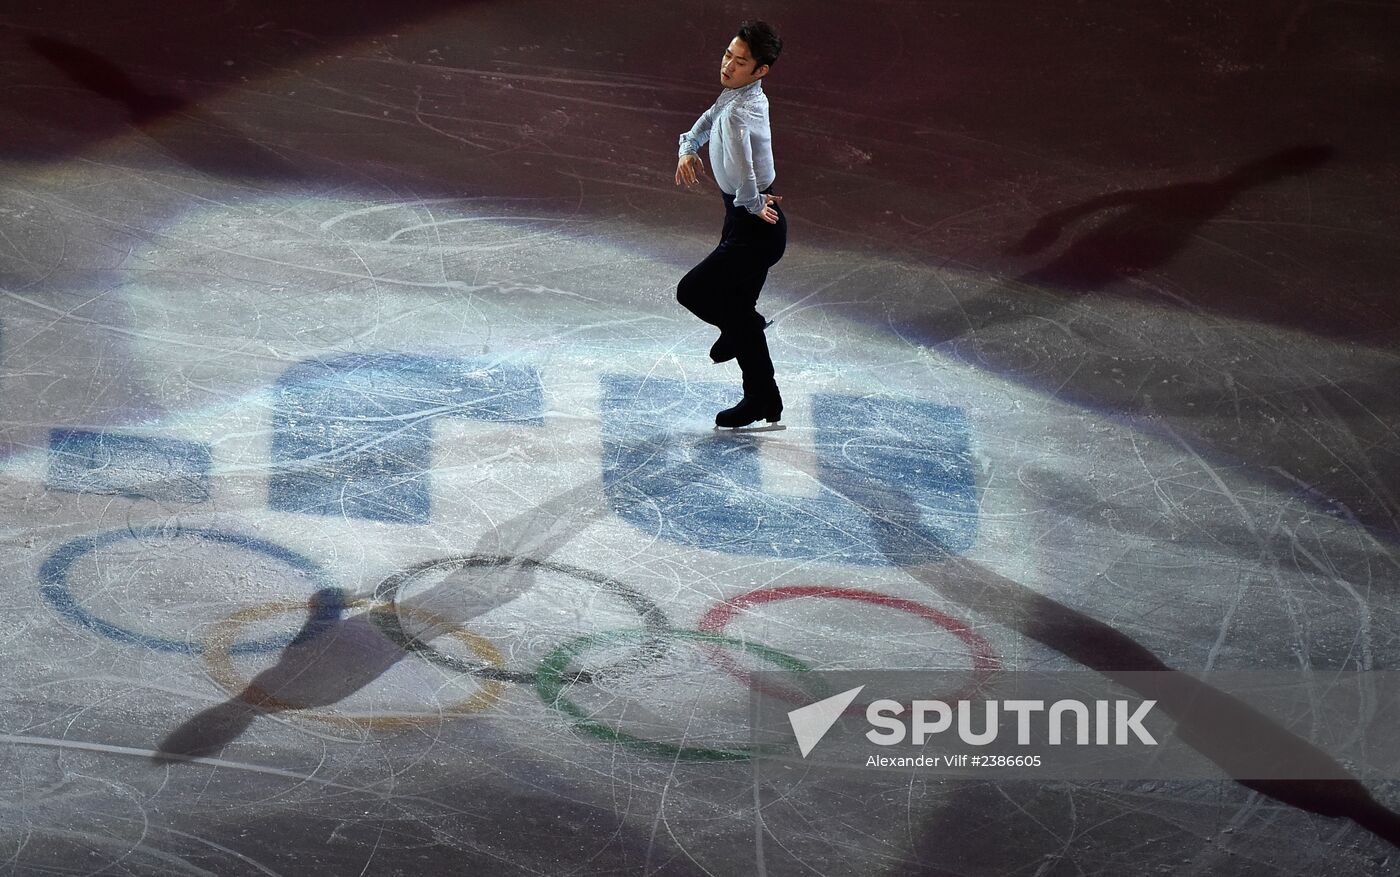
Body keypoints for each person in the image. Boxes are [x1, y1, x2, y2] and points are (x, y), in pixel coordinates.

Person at [674, 21, 786, 428]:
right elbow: (703, 124)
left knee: (694, 291)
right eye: (727, 55)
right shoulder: (735, 94)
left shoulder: (743, 108)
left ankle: (747, 329)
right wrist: (688, 149)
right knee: (736, 312)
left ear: (761, 71)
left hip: (757, 225)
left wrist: (753, 202)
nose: (728, 66)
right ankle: (762, 397)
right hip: (745, 219)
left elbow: (741, 164)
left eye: (740, 62)